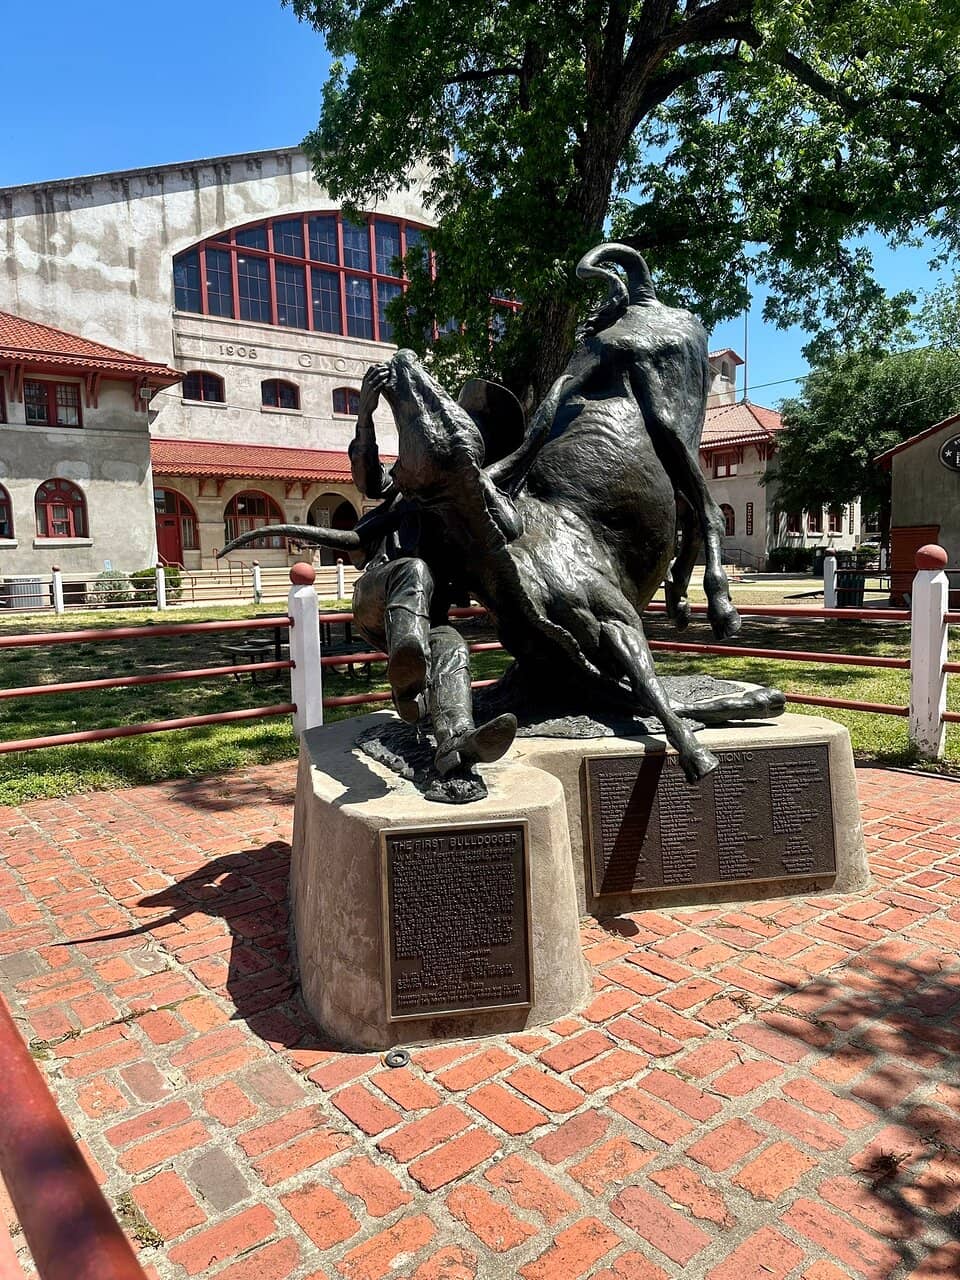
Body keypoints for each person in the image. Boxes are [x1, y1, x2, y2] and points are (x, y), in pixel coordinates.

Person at [348, 364, 517, 777]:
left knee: (454, 647)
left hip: (430, 625)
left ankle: (456, 743)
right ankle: (407, 666)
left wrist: (475, 484)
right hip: (380, 596)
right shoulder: (406, 483)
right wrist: (366, 415)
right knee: (416, 571)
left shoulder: (478, 503)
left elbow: (512, 528)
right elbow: (369, 480)